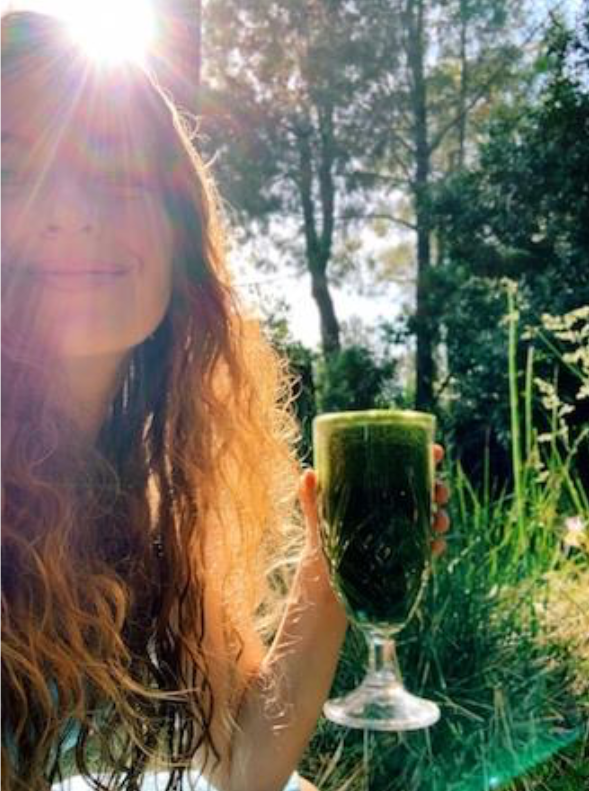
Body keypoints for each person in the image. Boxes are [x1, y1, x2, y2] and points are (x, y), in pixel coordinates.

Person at [1, 11, 451, 791]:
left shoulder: (145, 505)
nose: (70, 209)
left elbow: (243, 765)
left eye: (118, 174)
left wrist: (328, 567)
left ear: (180, 242)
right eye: (12, 172)